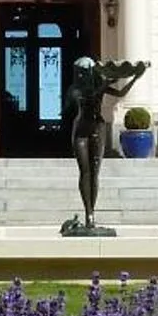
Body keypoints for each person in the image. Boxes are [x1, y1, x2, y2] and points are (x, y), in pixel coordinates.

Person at [64, 56, 150, 232]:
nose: (81, 75)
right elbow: (87, 99)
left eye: (84, 72)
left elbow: (121, 93)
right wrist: (104, 85)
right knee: (85, 172)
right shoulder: (75, 89)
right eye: (79, 72)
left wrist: (134, 78)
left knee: (95, 173)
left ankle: (91, 214)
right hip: (80, 131)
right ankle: (88, 211)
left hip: (97, 128)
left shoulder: (99, 85)